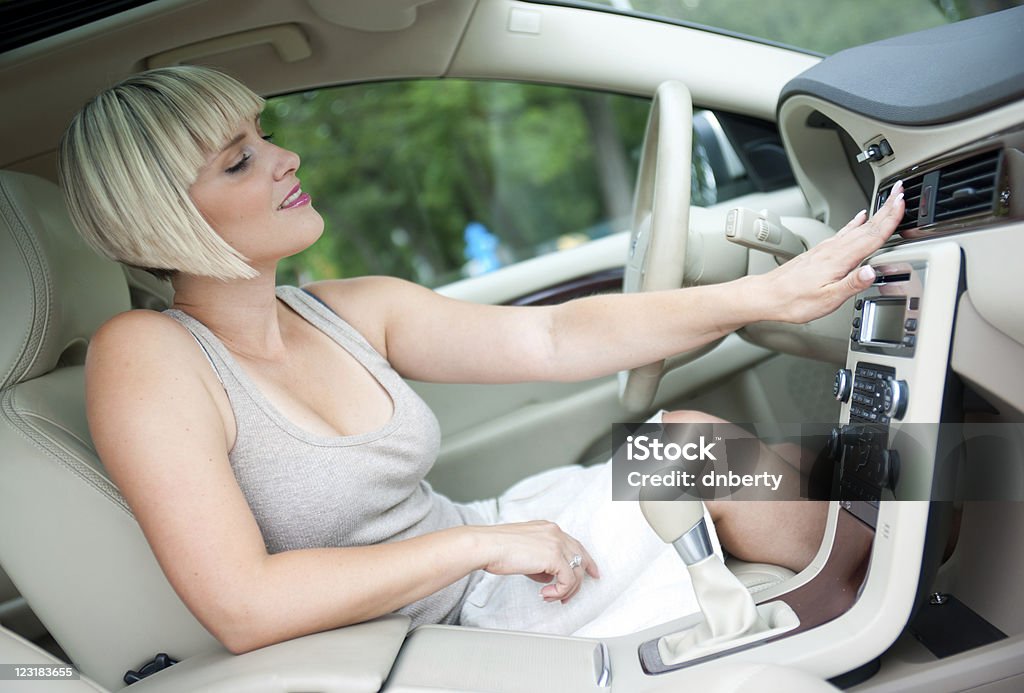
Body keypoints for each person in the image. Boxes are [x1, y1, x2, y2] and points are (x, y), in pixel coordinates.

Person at [58, 66, 906, 654]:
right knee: (687, 446)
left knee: (792, 457)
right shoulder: (144, 355)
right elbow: (242, 605)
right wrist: (476, 547)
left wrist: (766, 294)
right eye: (239, 160)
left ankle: (930, 540)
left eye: (265, 136)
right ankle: (895, 614)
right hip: (456, 625)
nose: (286, 159)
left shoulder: (344, 307)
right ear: (159, 217)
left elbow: (554, 338)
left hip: (493, 550)